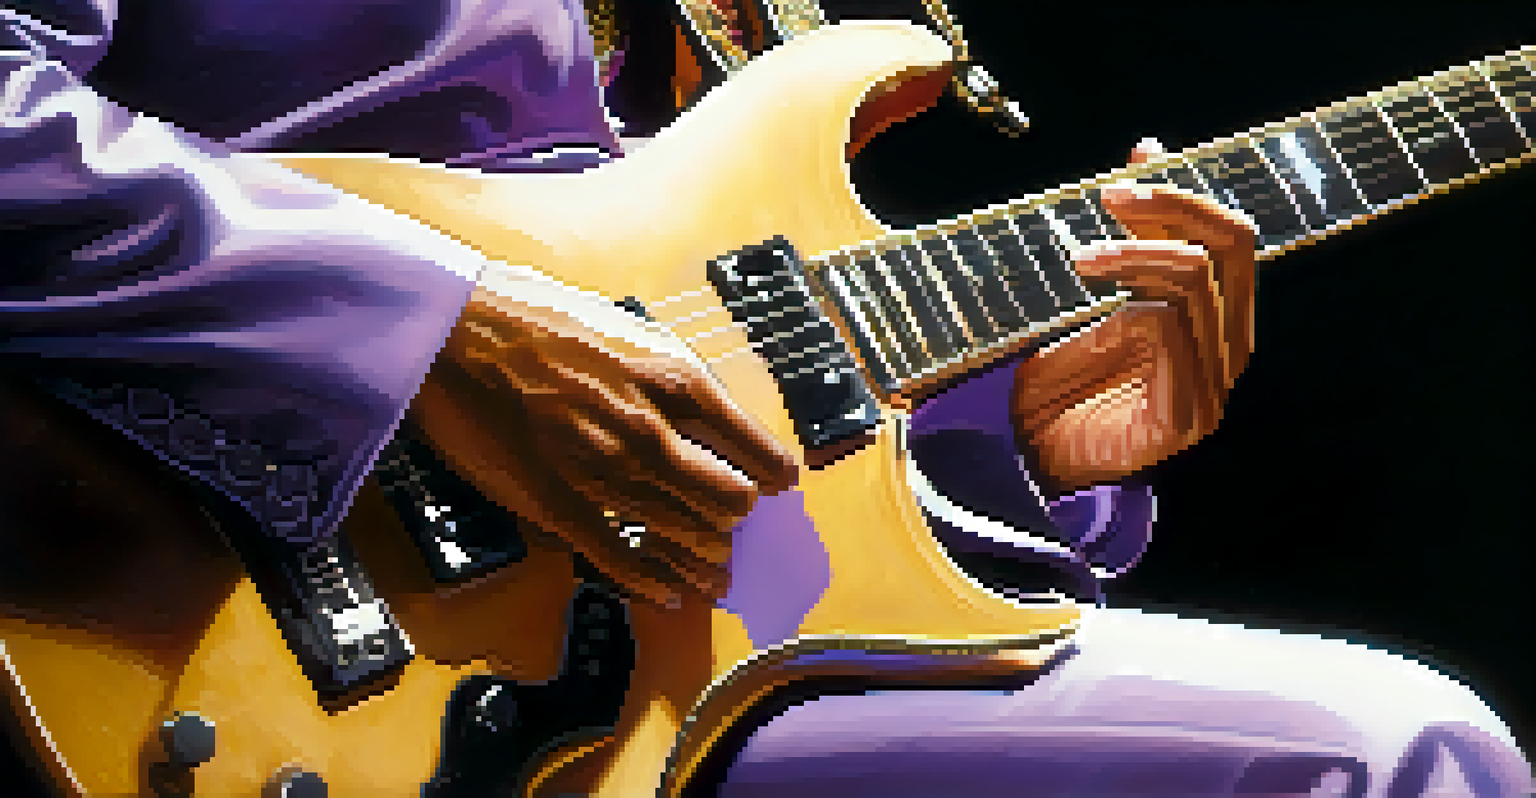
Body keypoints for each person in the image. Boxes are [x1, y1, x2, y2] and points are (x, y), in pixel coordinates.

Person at [0, 1, 1528, 796]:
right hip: (215, 636)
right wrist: (432, 331)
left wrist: (1013, 443)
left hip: (685, 672)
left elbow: (696, 318)